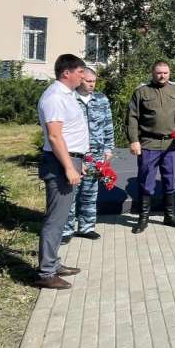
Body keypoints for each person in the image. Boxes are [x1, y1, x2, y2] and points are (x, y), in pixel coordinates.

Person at [34, 54, 86, 289]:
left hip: (69, 159)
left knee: (62, 216)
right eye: (80, 71)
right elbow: (55, 137)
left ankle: (54, 264)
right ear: (66, 73)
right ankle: (46, 273)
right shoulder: (54, 97)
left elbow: (71, 134)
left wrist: (78, 161)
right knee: (55, 219)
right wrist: (68, 166)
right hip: (58, 163)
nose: (83, 75)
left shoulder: (67, 95)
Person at [127, 61, 175, 233]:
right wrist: (134, 140)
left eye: (165, 73)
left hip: (172, 143)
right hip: (149, 143)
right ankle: (143, 218)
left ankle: (169, 216)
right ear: (152, 72)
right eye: (159, 73)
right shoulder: (142, 91)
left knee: (171, 180)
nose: (162, 76)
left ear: (169, 73)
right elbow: (132, 117)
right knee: (146, 180)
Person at [62, 67, 114, 244]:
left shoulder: (101, 99)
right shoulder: (69, 99)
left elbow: (108, 125)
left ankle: (86, 227)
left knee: (90, 192)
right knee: (71, 192)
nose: (92, 84)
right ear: (80, 79)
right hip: (75, 153)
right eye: (88, 81)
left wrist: (109, 148)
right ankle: (66, 229)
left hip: (97, 153)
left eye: (94, 81)